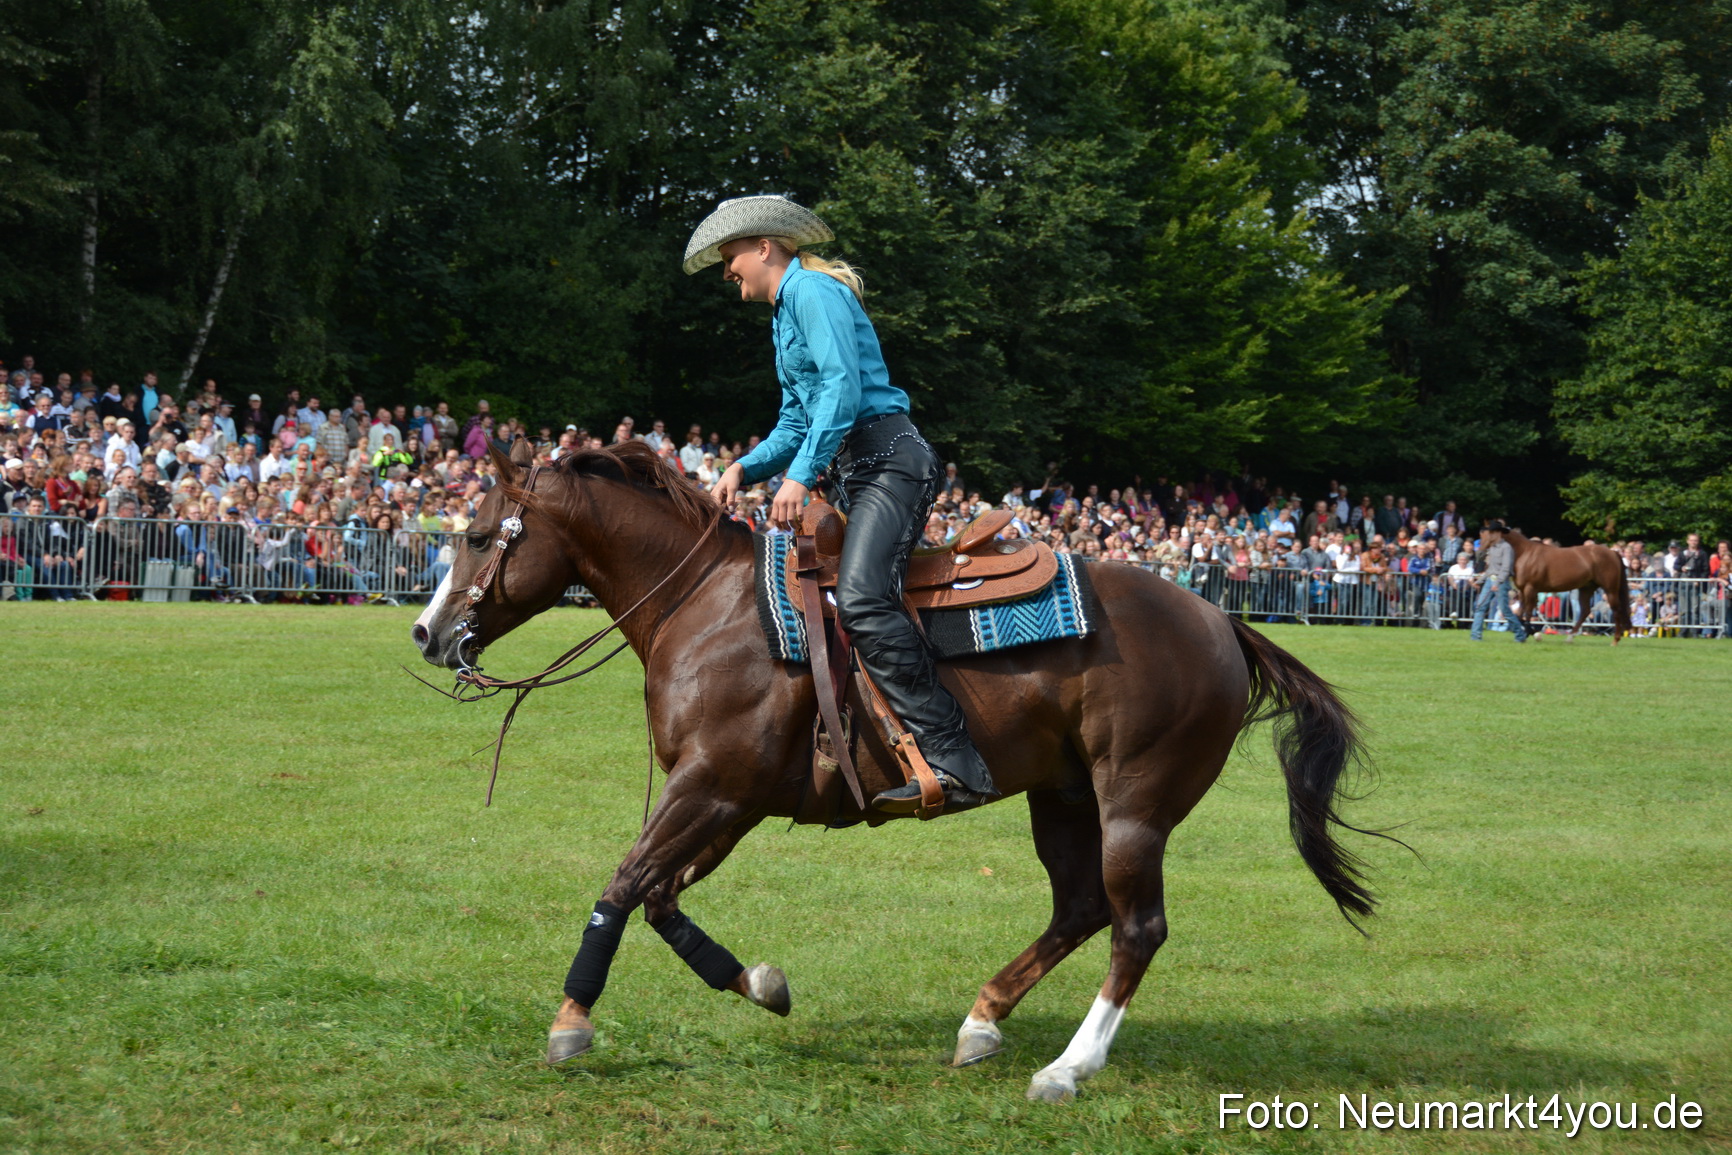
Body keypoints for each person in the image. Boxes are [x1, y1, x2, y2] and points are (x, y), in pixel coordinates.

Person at [687, 194, 997, 812]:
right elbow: (799, 420)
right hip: (858, 472)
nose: (728, 272)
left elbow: (842, 390)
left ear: (765, 248)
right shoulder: (785, 314)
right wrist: (744, 468)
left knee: (861, 598)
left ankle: (957, 762)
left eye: (731, 257)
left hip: (891, 465)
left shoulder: (811, 295)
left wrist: (799, 479)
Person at [1470, 521, 1527, 642]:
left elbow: (1506, 568)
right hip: (1491, 580)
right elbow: (1490, 569)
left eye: (1491, 533)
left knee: (1505, 611)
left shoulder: (1506, 548)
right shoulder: (1492, 548)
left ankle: (1520, 634)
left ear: (1498, 533)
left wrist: (1497, 583)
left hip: (1501, 582)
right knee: (1480, 607)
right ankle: (1475, 636)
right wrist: (1479, 581)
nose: (1489, 535)